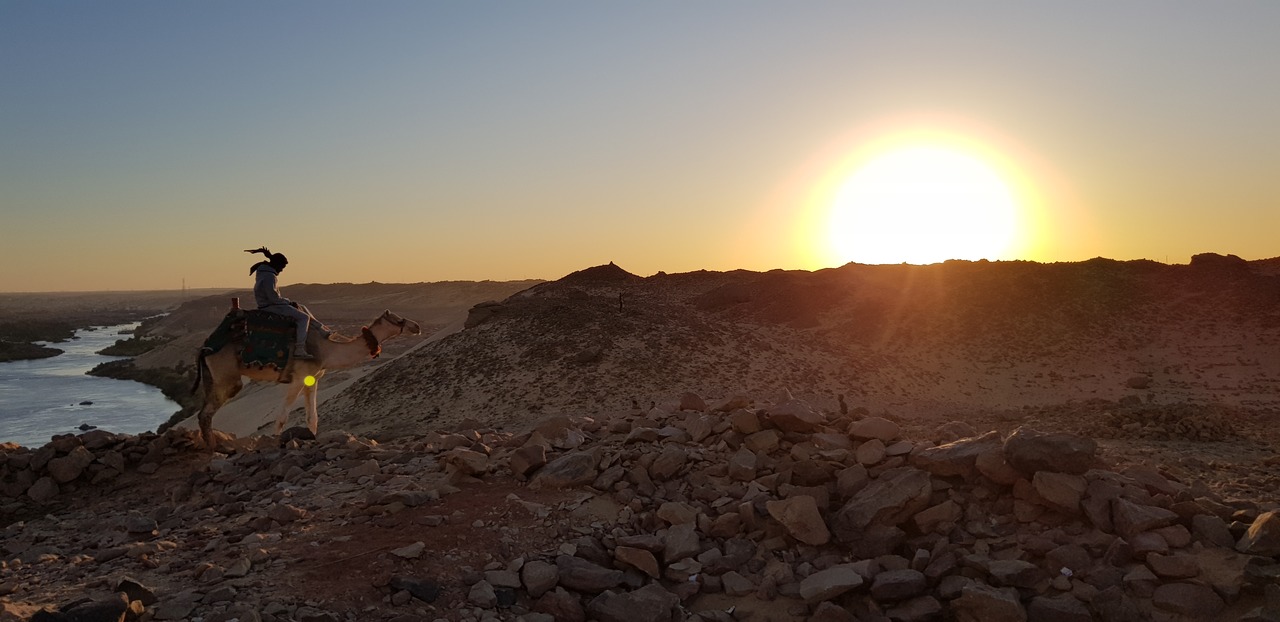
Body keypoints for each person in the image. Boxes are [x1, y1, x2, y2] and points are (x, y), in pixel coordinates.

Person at [244, 247, 329, 360]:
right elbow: (273, 297)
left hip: (272, 304)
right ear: (276, 264)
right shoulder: (269, 276)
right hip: (271, 306)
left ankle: (321, 329)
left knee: (301, 307)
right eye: (282, 267)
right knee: (303, 318)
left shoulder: (264, 274)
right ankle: (299, 348)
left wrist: (288, 302)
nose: (282, 270)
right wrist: (288, 302)